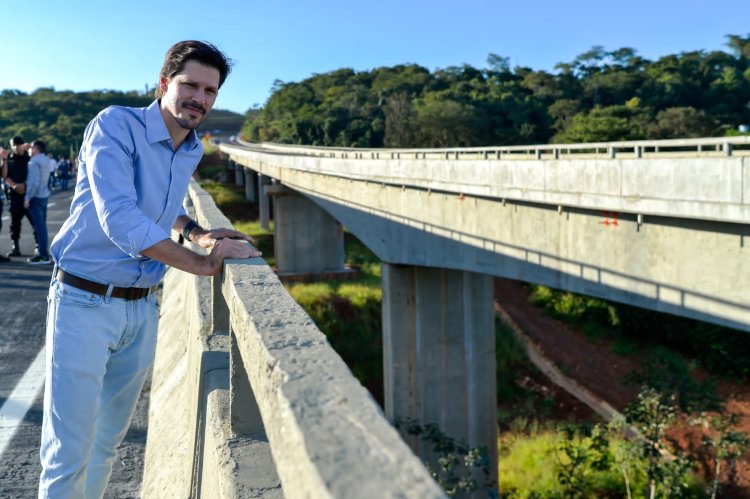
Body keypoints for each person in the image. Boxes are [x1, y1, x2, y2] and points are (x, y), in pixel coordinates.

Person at [39, 40, 261, 498]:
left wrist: (198, 232)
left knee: (106, 447)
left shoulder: (190, 148)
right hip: (84, 301)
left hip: (142, 310)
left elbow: (162, 207)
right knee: (68, 453)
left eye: (210, 91)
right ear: (164, 83)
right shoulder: (116, 126)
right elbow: (120, 216)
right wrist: (202, 265)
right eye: (190, 85)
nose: (200, 98)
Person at [1, 136, 36, 257]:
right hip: (14, 195)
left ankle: (38, 245)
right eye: (13, 144)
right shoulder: (9, 158)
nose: (15, 147)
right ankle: (15, 246)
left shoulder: (29, 157)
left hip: (28, 194)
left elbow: (35, 173)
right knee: (14, 223)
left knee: (34, 221)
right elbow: (5, 176)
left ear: (22, 145)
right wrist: (14, 186)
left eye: (17, 144)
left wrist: (25, 186)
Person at [24, 140, 51, 264]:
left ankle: (43, 255)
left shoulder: (34, 162)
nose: (29, 149)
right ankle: (44, 253)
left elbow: (33, 182)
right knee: (42, 227)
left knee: (39, 228)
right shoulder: (46, 160)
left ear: (35, 148)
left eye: (31, 147)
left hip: (35, 197)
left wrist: (27, 198)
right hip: (44, 195)